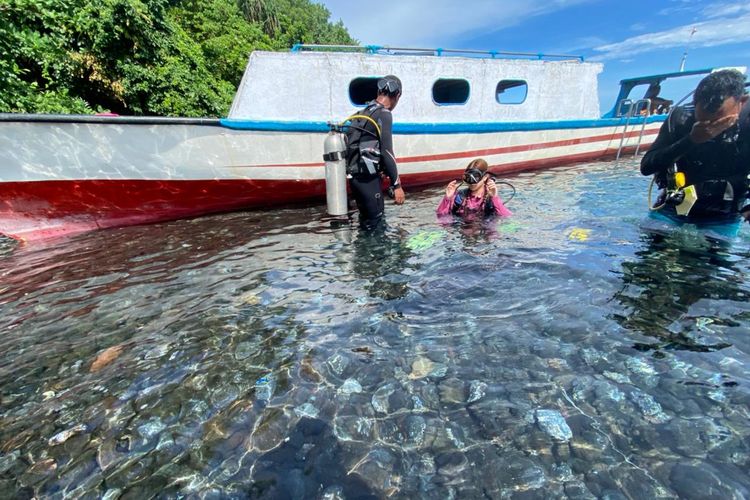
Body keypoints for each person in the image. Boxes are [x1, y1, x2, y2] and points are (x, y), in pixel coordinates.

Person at [641, 69, 750, 223]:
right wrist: (691, 140)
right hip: (673, 208)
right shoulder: (681, 118)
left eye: (718, 121)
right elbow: (646, 166)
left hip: (724, 215)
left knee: (715, 246)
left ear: (742, 102)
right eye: (703, 121)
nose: (711, 128)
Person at [344, 75, 406, 230]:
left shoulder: (363, 111)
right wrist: (396, 185)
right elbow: (386, 151)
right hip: (368, 180)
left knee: (366, 223)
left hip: (356, 179)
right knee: (376, 224)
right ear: (397, 95)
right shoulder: (384, 114)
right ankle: (378, 255)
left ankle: (362, 253)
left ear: (379, 90)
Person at [436, 159, 512, 218]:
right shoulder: (460, 196)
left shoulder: (490, 198)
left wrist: (494, 197)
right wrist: (447, 198)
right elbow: (441, 215)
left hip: (485, 231)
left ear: (485, 177)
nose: (471, 182)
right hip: (462, 230)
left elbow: (506, 216)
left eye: (476, 177)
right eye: (468, 178)